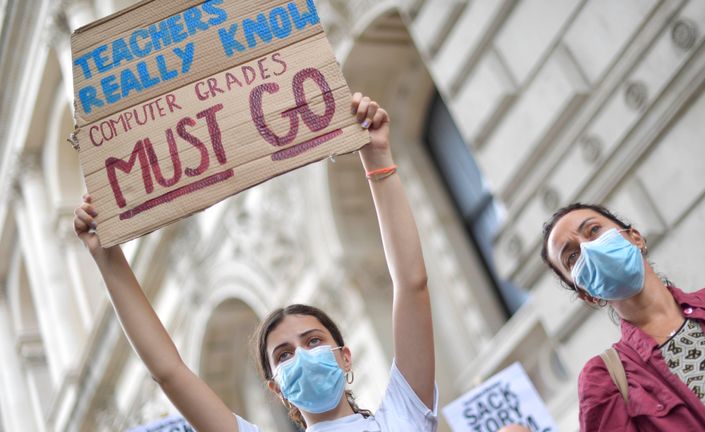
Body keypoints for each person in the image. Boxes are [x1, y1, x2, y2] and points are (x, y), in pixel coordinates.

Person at [73, 94, 438, 432]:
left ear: (345, 358)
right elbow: (169, 373)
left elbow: (411, 283)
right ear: (276, 389)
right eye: (284, 355)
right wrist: (107, 258)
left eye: (313, 341)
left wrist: (377, 159)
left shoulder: (403, 414)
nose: (303, 357)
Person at [540, 203, 705, 431]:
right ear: (587, 295)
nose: (589, 249)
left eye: (593, 230)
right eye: (572, 257)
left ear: (635, 237)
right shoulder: (604, 381)